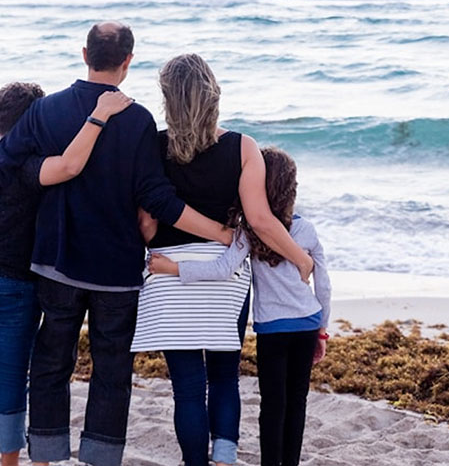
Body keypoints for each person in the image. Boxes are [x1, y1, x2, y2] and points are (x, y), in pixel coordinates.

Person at [0, 23, 232, 466]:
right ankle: (100, 460)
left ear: (84, 53)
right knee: (111, 373)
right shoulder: (139, 119)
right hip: (116, 271)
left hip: (57, 264)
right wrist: (219, 232)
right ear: (129, 61)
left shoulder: (46, 110)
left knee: (50, 364)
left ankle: (44, 458)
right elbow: (157, 198)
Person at [130, 54, 315, 466]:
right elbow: (261, 221)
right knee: (224, 376)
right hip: (225, 275)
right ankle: (225, 455)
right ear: (213, 94)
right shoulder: (243, 147)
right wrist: (301, 259)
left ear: (168, 100)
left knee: (189, 389)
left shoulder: (154, 147)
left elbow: (144, 224)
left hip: (168, 276)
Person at [0, 82, 132, 466]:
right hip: (13, 286)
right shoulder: (30, 167)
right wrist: (99, 116)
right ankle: (10, 461)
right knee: (12, 375)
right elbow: (69, 165)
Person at [150, 147, 332, 466]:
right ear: (292, 189)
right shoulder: (306, 229)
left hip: (272, 331)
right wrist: (322, 329)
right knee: (297, 403)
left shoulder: (249, 230)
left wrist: (174, 268)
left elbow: (222, 269)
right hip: (307, 323)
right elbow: (324, 285)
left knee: (273, 405)